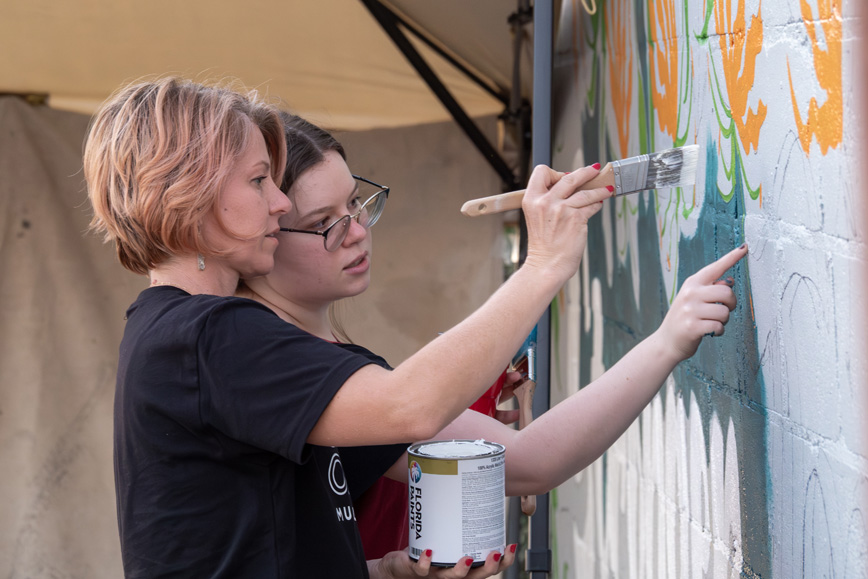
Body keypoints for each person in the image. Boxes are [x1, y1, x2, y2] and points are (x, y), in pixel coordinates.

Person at [83, 77, 613, 578]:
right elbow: (411, 407)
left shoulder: (179, 330)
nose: (280, 202)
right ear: (188, 192)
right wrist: (544, 263)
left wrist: (381, 570)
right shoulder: (210, 334)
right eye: (258, 180)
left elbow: (245, 552)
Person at [237, 112, 750, 560]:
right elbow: (528, 463)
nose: (356, 230)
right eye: (323, 223)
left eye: (355, 202)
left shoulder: (323, 368)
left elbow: (521, 457)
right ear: (262, 233)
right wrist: (659, 339)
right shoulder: (271, 369)